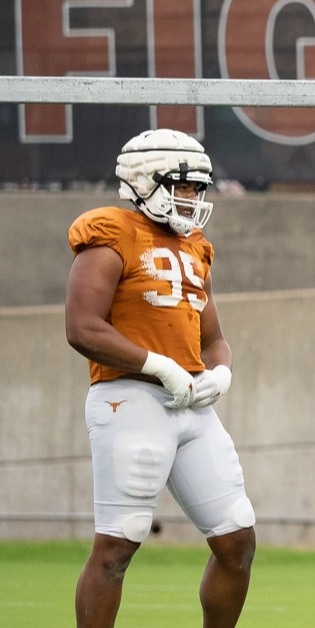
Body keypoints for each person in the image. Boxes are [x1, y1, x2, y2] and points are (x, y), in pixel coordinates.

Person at [65, 129, 255, 628]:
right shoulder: (109, 232)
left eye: (197, 188)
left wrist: (221, 372)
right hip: (129, 399)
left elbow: (214, 337)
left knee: (236, 539)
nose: (192, 197)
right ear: (143, 181)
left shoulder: (196, 247)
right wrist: (158, 364)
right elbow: (82, 327)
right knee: (117, 544)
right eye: (181, 185)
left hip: (192, 407)